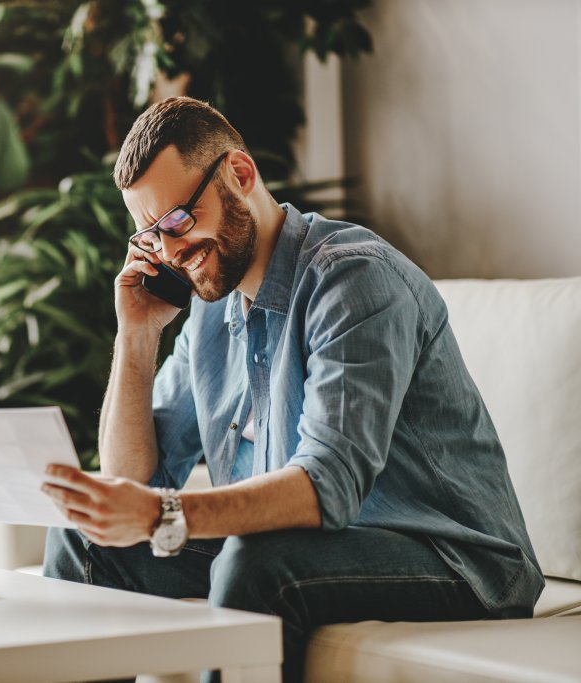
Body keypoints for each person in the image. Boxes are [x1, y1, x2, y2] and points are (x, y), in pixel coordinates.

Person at [39, 96, 543, 683]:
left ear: (239, 173)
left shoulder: (353, 279)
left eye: (177, 220)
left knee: (257, 562)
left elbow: (328, 487)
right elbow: (131, 480)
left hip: (455, 558)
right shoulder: (211, 310)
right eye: (151, 236)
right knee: (83, 539)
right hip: (313, 549)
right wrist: (137, 334)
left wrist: (162, 513)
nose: (171, 251)